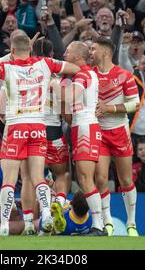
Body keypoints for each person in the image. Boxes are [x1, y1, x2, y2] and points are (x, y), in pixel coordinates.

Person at [0, 34, 80, 236]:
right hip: (39, 127)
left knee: (10, 180)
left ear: (12, 51)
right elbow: (75, 69)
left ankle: (4, 225)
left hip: (16, 127)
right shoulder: (45, 64)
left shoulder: (5, 68)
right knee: (38, 176)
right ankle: (46, 213)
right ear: (29, 49)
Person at [91, 37, 140, 237]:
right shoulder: (89, 74)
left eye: (93, 49)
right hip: (98, 133)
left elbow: (135, 104)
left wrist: (109, 108)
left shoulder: (124, 75)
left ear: (105, 52)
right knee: (101, 179)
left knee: (126, 180)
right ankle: (108, 222)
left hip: (119, 132)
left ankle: (131, 223)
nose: (90, 52)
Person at [57, 41, 106, 236]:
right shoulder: (82, 74)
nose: (64, 53)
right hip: (80, 126)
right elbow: (68, 114)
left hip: (86, 127)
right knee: (83, 178)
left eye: (68, 51)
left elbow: (69, 97)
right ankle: (99, 224)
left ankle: (98, 225)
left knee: (85, 178)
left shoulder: (83, 74)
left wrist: (52, 84)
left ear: (78, 56)